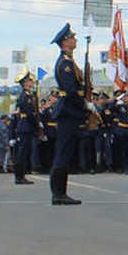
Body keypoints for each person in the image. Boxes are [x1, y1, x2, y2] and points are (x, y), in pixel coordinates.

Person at [49, 23, 85, 205]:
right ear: (65, 42)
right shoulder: (65, 63)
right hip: (68, 111)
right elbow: (71, 90)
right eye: (72, 37)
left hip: (70, 110)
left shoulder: (69, 61)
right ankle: (58, 194)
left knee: (66, 151)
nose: (75, 40)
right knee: (63, 152)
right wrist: (84, 104)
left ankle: (60, 192)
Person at [12, 71, 42, 184]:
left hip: (27, 126)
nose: (32, 82)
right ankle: (19, 176)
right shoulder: (25, 96)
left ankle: (21, 175)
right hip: (25, 126)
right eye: (30, 80)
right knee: (22, 152)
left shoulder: (29, 95)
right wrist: (36, 124)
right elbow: (30, 113)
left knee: (25, 151)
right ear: (25, 83)